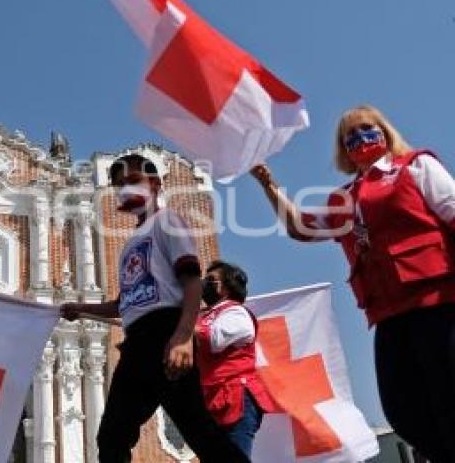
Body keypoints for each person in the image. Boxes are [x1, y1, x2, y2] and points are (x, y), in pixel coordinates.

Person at [250, 104, 455, 463]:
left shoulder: (415, 166)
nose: (360, 138)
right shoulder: (344, 199)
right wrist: (269, 185)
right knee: (403, 410)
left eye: (367, 129)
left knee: (448, 398)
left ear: (384, 132)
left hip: (437, 300)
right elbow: (301, 227)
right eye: (350, 137)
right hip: (389, 315)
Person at [60, 154, 248, 463]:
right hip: (136, 344)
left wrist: (184, 337)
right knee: (112, 436)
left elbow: (192, 282)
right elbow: (123, 305)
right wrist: (78, 309)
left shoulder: (168, 222)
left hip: (166, 332)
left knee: (198, 431)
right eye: (118, 185)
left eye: (132, 181)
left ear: (155, 184)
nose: (124, 190)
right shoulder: (131, 243)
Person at [196, 260, 276, 457]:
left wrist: (181, 322)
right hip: (214, 401)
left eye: (211, 280)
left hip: (236, 399)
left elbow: (213, 339)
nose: (204, 283)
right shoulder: (205, 316)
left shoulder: (236, 312)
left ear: (226, 287)